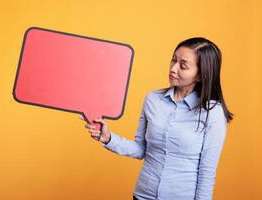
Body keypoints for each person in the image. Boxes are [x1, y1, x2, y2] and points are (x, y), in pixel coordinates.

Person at [82, 37, 233, 200]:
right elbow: (141, 149)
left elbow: (207, 172)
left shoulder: (212, 113)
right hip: (142, 195)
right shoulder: (152, 99)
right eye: (173, 60)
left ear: (201, 75)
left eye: (183, 65)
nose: (173, 68)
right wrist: (109, 138)